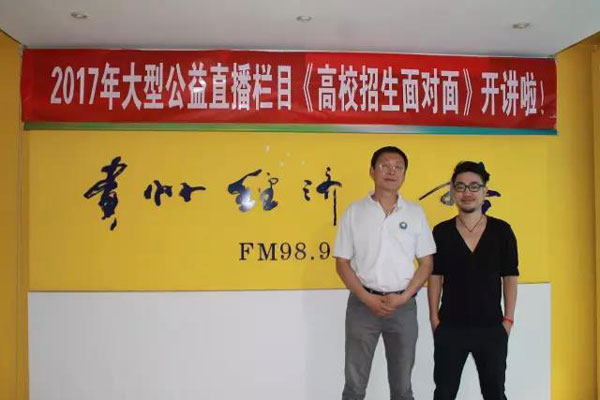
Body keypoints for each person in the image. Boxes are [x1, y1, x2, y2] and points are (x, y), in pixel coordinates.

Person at [334, 146, 436, 400]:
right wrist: (366, 298)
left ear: (404, 175)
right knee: (354, 386)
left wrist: (404, 297)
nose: (391, 171)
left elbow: (426, 263)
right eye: (385, 165)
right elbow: (342, 263)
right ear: (372, 171)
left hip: (403, 306)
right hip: (362, 305)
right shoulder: (354, 212)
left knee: (402, 387)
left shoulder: (415, 213)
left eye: (398, 167)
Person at [428, 161, 519, 400]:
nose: (467, 192)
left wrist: (508, 320)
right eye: (460, 186)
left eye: (474, 186)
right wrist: (434, 318)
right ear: (452, 191)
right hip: (450, 327)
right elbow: (435, 276)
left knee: (495, 393)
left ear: (485, 190)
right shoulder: (441, 232)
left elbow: (510, 276)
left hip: (491, 327)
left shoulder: (502, 231)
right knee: (444, 393)